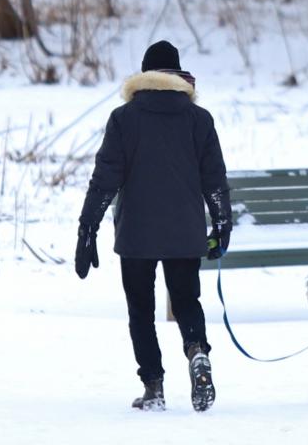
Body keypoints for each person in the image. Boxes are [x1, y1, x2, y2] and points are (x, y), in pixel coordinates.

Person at [75, 40, 232, 413]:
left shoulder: (123, 119)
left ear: (143, 76)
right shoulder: (199, 119)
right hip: (184, 233)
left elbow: (105, 179)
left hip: (137, 235)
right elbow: (214, 179)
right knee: (187, 301)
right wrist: (222, 224)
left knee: (141, 311)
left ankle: (154, 386)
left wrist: (88, 228)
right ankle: (197, 352)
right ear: (179, 76)